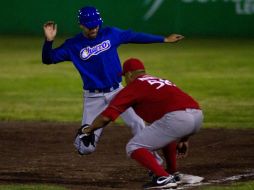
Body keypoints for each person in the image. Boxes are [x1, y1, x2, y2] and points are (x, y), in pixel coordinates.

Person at [42, 6, 184, 156]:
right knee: (86, 149)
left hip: (118, 92)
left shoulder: (111, 34)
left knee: (138, 122)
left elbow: (134, 36)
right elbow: (48, 59)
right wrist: (48, 41)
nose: (94, 29)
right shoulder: (73, 45)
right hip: (93, 98)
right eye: (90, 26)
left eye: (96, 25)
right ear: (81, 25)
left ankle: (155, 166)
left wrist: (163, 39)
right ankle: (81, 139)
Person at [77, 58, 203, 189]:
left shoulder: (134, 86)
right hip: (197, 116)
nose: (125, 80)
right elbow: (181, 104)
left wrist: (89, 129)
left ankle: (163, 178)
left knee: (134, 147)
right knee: (164, 131)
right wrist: (184, 138)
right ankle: (172, 173)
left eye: (125, 76)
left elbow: (106, 117)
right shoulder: (160, 80)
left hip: (178, 119)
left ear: (130, 74)